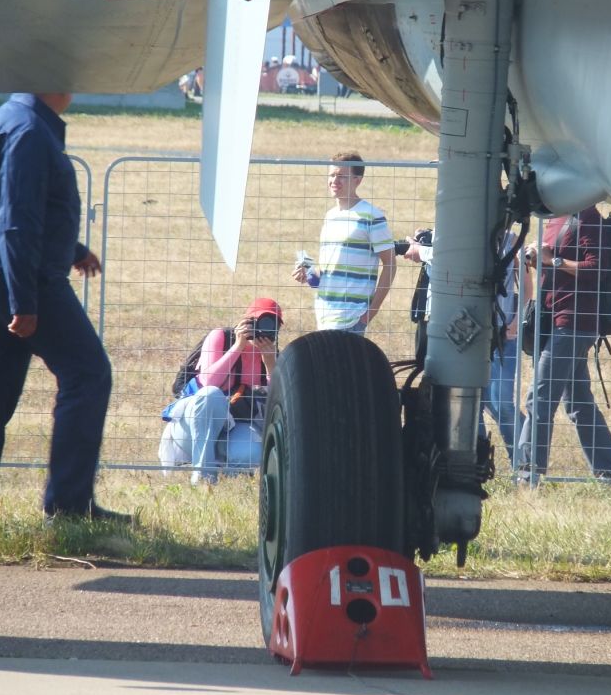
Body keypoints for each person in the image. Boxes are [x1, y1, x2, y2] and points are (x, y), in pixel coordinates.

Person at [0, 93, 122, 521]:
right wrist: (24, 301)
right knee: (88, 373)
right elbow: (16, 220)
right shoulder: (29, 131)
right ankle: (68, 507)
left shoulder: (5, 119)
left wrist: (72, 248)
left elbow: (9, 209)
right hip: (19, 277)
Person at [517, 206, 611, 482]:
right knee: (579, 403)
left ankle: (528, 472)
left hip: (575, 322)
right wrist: (535, 259)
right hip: (556, 321)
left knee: (539, 398)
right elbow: (553, 262)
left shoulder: (588, 219)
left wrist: (551, 260)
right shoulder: (555, 219)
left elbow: (596, 269)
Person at [403, 225, 530, 464]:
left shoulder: (514, 241)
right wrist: (425, 245)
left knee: (500, 401)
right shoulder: (452, 232)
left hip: (502, 333)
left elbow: (526, 285)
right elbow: (447, 263)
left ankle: (524, 463)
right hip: (464, 331)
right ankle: (475, 461)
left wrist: (516, 320)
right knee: (474, 400)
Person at [159, 298, 283, 484]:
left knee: (252, 452)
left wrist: (269, 364)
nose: (264, 329)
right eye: (258, 322)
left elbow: (275, 403)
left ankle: (230, 483)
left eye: (272, 324)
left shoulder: (271, 354)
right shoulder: (221, 337)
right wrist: (238, 346)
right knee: (212, 395)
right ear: (246, 321)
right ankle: (203, 477)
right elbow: (208, 382)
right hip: (192, 425)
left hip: (232, 427)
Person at [293, 152, 396, 332]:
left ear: (358, 180)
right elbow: (327, 271)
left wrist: (371, 312)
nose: (334, 181)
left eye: (341, 176)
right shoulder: (330, 216)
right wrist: (308, 274)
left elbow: (390, 264)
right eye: (332, 175)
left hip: (352, 318)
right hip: (324, 316)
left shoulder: (372, 216)